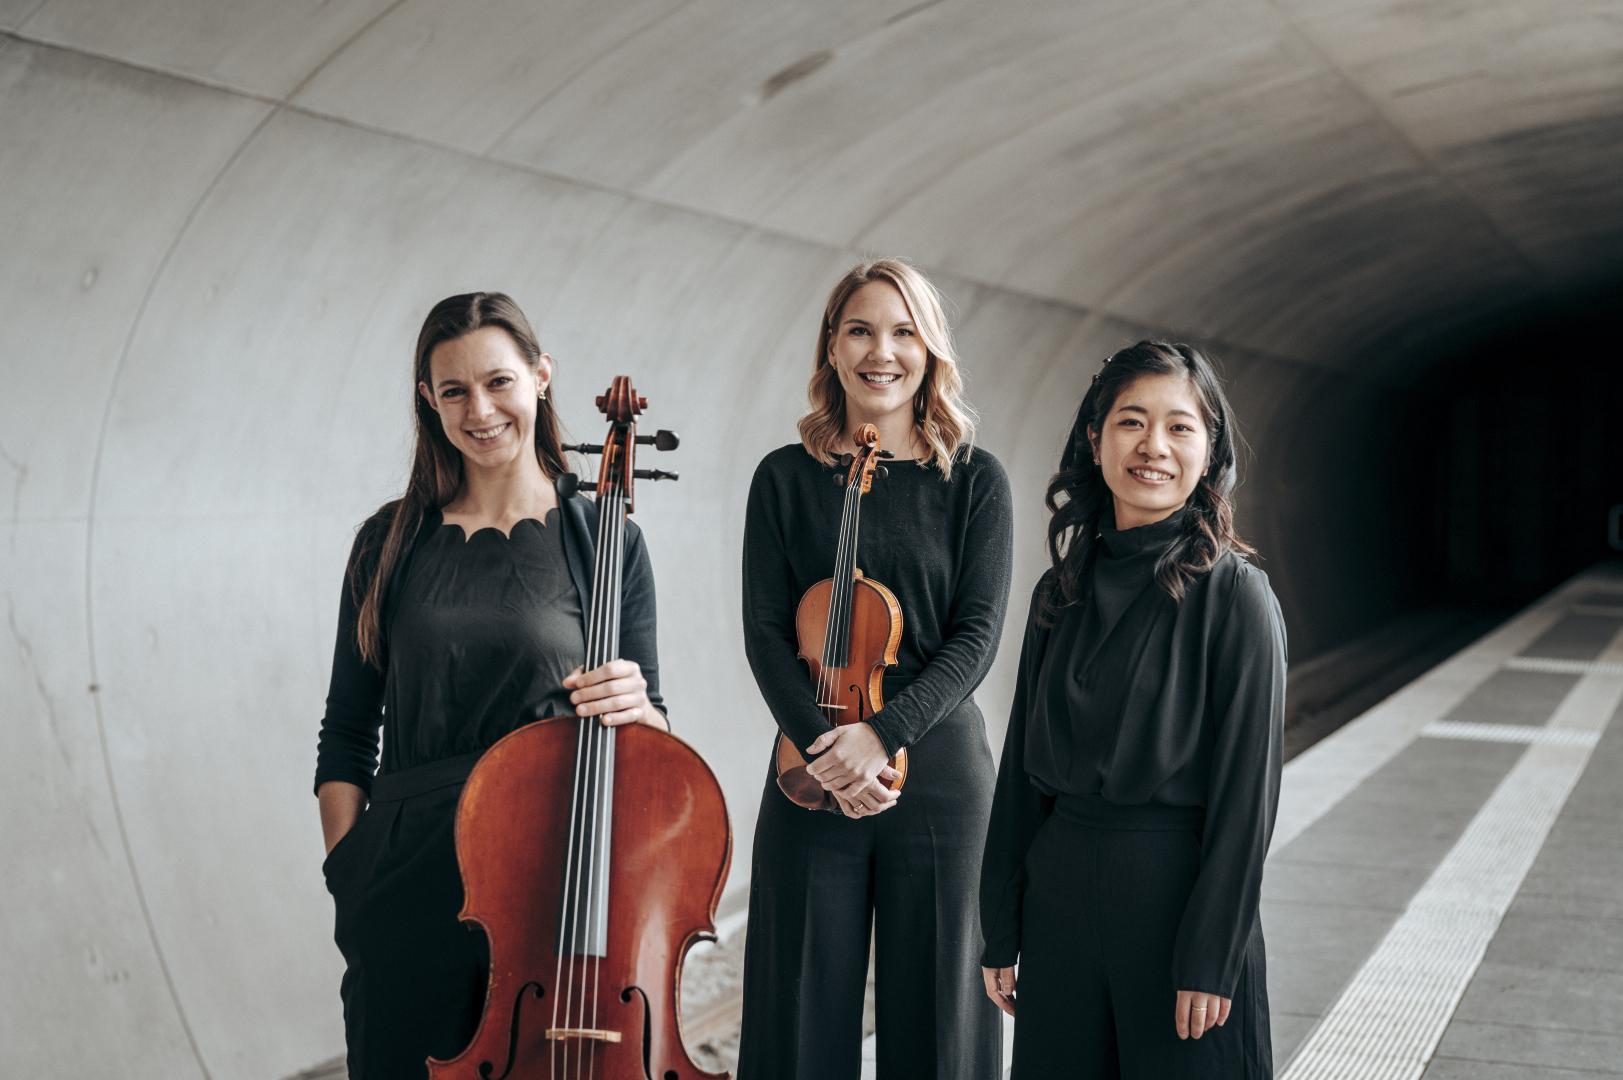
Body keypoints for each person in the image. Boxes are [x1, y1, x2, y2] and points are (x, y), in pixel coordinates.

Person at [313, 292, 668, 1079]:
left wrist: (638, 706)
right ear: (427, 401)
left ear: (541, 378)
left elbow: (654, 738)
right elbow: (344, 731)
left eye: (499, 382)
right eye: (453, 391)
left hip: (551, 875)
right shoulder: (389, 540)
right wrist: (350, 875)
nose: (479, 410)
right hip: (403, 886)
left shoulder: (604, 539)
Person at [737, 258, 1014, 1079]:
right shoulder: (785, 478)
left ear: (930, 351)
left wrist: (882, 734)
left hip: (937, 778)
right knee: (795, 1012)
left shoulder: (972, 480)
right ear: (831, 345)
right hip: (808, 765)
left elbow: (977, 636)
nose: (880, 351)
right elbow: (762, 634)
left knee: (942, 1033)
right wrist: (829, 746)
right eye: (859, 329)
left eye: (903, 332)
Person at [978, 340, 1286, 1078]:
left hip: (1176, 911)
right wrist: (1001, 924)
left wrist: (1211, 953)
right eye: (1130, 422)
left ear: (1209, 451)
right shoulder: (1059, 592)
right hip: (1060, 909)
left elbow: (1248, 796)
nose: (1153, 447)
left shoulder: (1234, 596)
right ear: (1094, 437)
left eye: (1180, 427)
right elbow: (1022, 771)